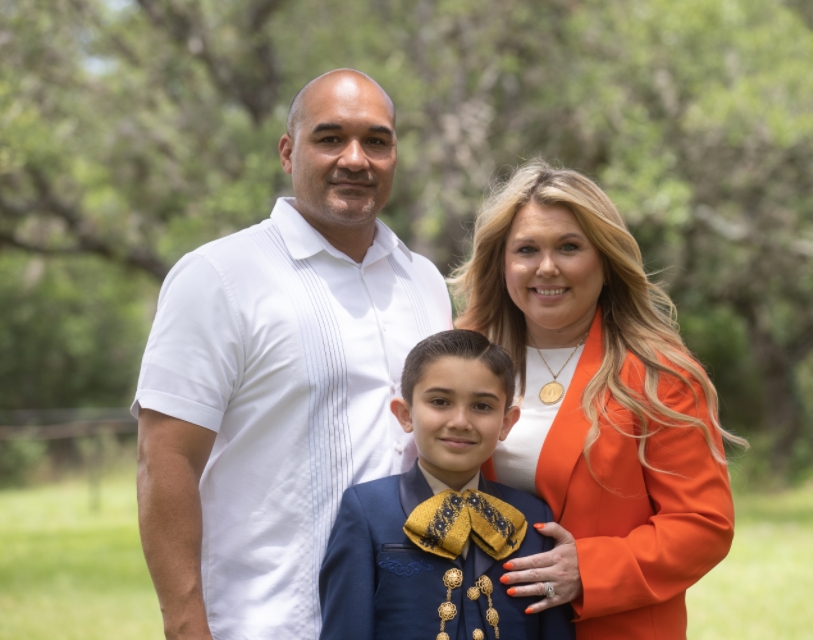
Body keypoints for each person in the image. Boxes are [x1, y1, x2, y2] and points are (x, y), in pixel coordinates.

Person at [133, 69, 452, 640]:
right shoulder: (219, 277)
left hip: (415, 619)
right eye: (330, 138)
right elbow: (165, 462)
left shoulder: (423, 281)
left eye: (376, 141)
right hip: (271, 623)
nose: (356, 159)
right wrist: (186, 628)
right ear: (288, 151)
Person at [449, 160, 748, 639]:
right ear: (502, 263)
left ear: (605, 262)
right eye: (527, 250)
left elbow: (703, 525)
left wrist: (588, 569)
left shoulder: (657, 375)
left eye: (569, 247)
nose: (547, 267)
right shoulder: (460, 357)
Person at [319, 330, 574, 640]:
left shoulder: (533, 515)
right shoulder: (366, 509)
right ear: (405, 414)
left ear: (506, 422)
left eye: (482, 406)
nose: (460, 421)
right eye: (440, 402)